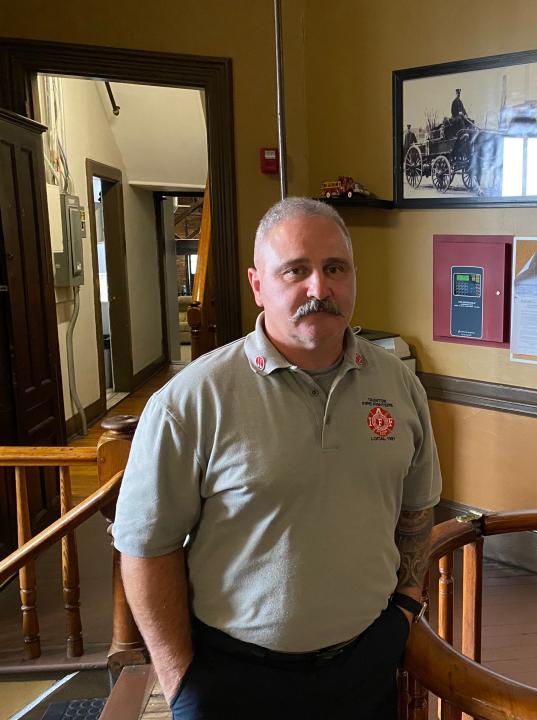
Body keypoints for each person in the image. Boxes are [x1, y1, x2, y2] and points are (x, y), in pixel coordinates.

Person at [113, 197, 442, 719]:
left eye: (335, 268)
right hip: (233, 679)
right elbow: (145, 547)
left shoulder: (399, 385)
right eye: (296, 271)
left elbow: (418, 510)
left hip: (365, 666)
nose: (319, 288)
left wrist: (403, 607)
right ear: (257, 284)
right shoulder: (192, 401)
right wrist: (181, 682)